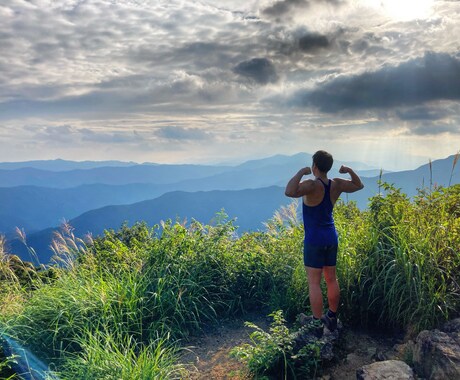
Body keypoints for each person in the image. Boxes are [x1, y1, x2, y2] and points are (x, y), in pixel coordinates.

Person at [285, 150, 364, 332]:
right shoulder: (336, 184)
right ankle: (332, 317)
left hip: (314, 239)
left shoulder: (312, 185)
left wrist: (300, 172)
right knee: (331, 279)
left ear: (315, 166)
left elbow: (289, 191)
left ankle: (316, 324)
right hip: (331, 237)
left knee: (314, 282)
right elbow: (358, 185)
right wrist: (349, 170)